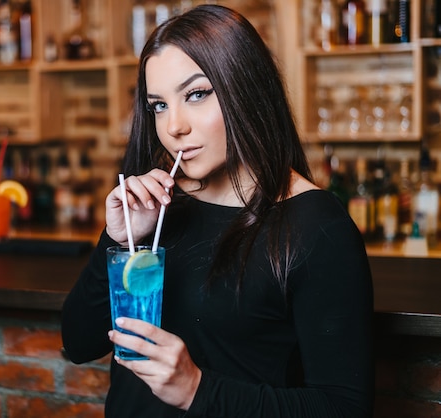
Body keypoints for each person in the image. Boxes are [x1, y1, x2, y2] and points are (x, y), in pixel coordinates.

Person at [61, 4, 374, 417]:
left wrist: (197, 389)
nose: (174, 126)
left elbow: (343, 408)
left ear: (245, 89)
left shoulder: (317, 227)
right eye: (159, 105)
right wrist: (118, 240)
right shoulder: (161, 209)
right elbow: (79, 343)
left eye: (195, 94)